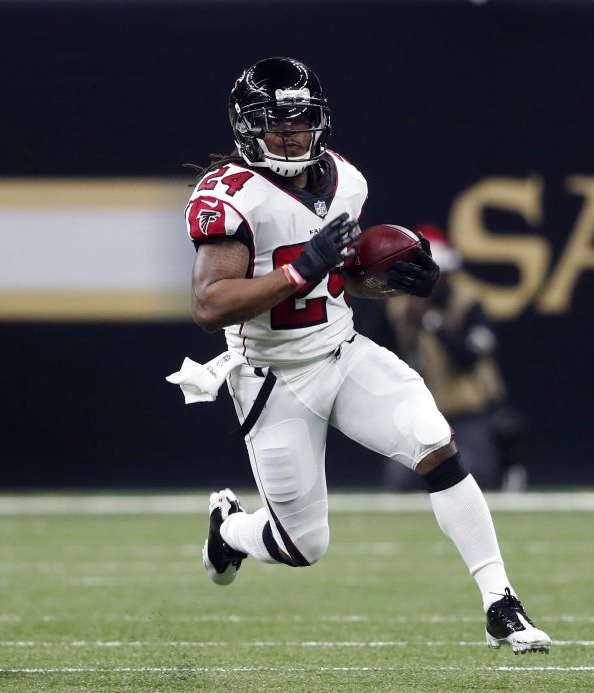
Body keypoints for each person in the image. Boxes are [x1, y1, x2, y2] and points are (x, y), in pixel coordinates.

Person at [172, 57, 550, 654]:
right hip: (274, 377)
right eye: (277, 121)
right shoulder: (229, 198)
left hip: (342, 353)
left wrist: (396, 281)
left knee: (433, 441)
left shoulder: (347, 180)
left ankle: (501, 603)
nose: (292, 132)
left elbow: (340, 279)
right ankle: (231, 530)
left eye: (302, 119)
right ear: (248, 127)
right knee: (303, 546)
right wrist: (301, 268)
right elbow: (209, 304)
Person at [380, 225, 529, 493]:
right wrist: (410, 323)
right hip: (422, 417)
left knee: (470, 474)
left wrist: (432, 322)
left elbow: (467, 358)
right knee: (400, 481)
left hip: (467, 416)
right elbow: (379, 354)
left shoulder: (468, 305)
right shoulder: (399, 310)